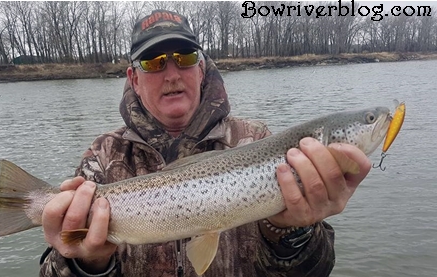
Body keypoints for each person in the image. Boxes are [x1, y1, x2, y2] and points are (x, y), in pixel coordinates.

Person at [39, 9, 371, 277]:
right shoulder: (104, 156)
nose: (171, 74)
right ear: (134, 79)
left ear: (200, 68)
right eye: (154, 62)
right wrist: (86, 264)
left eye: (183, 57)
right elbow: (50, 271)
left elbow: (316, 270)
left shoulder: (255, 141)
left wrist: (294, 234)